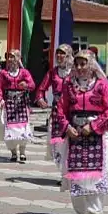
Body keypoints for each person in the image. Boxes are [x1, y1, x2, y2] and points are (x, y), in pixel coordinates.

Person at [54, 50, 108, 214]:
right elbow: (60, 109)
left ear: (91, 65)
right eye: (77, 64)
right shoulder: (68, 85)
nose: (80, 68)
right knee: (77, 174)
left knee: (96, 174)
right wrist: (67, 127)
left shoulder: (102, 85)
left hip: (97, 134)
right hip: (75, 134)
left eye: (84, 64)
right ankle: (84, 212)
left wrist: (94, 126)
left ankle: (95, 213)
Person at [35, 44, 73, 181]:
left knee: (71, 143)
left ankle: (69, 174)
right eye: (57, 53)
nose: (59, 56)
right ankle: (63, 172)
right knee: (57, 144)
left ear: (68, 55)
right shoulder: (53, 72)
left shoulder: (75, 72)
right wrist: (40, 98)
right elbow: (41, 88)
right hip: (57, 112)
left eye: (62, 53)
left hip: (73, 112)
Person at [0, 49, 36, 162]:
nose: (10, 60)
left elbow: (32, 85)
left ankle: (22, 152)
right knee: (8, 128)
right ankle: (13, 152)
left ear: (18, 59)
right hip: (8, 103)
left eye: (13, 57)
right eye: (9, 57)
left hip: (21, 103)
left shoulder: (24, 73)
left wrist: (26, 85)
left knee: (23, 127)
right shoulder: (3, 73)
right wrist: (0, 100)